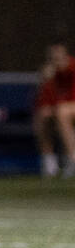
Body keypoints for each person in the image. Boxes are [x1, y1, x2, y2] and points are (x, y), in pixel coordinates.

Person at [34, 42, 75, 177]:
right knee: (43, 115)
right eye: (53, 57)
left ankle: (72, 159)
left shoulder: (71, 67)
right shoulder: (49, 74)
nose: (56, 60)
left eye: (59, 56)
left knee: (62, 112)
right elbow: (44, 100)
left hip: (68, 108)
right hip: (60, 109)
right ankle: (49, 160)